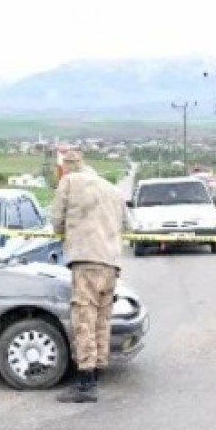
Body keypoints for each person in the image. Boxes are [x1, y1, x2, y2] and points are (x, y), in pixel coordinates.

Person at [49, 149, 132, 403]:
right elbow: (129, 225)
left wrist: (68, 230)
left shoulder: (70, 182)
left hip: (86, 261)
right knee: (101, 320)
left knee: (83, 317)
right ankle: (96, 373)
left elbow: (55, 220)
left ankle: (85, 384)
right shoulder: (112, 189)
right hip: (111, 265)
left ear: (66, 167)